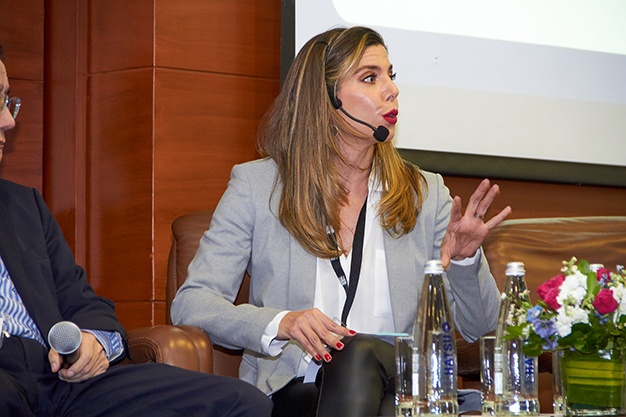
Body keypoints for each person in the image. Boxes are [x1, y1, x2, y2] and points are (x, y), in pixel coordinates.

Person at [171, 26, 512, 417]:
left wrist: (466, 261)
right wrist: (282, 322)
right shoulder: (258, 186)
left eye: (390, 76)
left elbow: (480, 325)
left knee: (363, 356)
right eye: (370, 77)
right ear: (325, 95)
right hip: (298, 391)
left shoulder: (425, 194)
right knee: (363, 369)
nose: (392, 90)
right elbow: (192, 304)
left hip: (404, 385)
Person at [0, 45, 273, 417]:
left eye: (7, 101)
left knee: (239, 403)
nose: (9, 121)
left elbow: (83, 303)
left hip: (60, 381)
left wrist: (94, 341)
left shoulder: (22, 207)